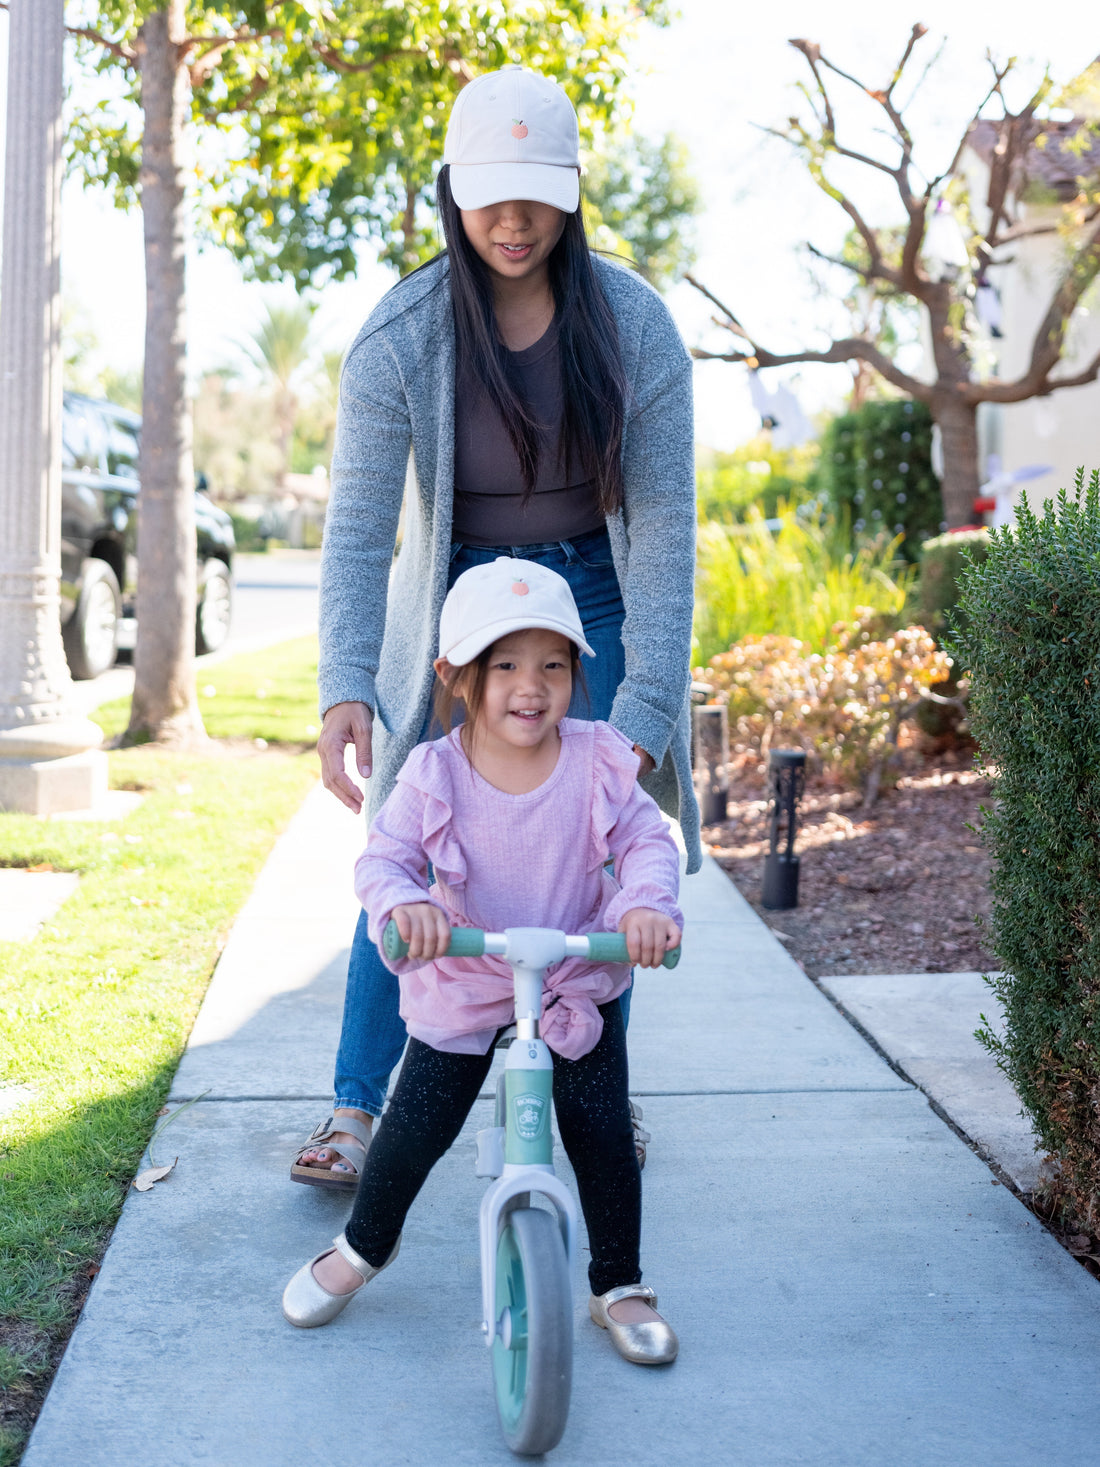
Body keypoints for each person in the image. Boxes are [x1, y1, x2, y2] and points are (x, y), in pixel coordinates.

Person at [290, 65, 699, 1190]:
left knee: (607, 842)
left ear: (569, 191)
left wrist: (649, 709)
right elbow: (359, 532)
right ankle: (357, 1109)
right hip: (460, 599)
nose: (511, 221)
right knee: (409, 836)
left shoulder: (637, 330)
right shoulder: (399, 335)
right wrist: (344, 687)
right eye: (488, 195)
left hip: (594, 595)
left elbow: (664, 533)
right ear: (451, 192)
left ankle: (593, 1107)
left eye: (534, 193)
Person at [283, 560, 683, 1363]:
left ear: (575, 672)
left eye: (552, 664)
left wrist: (645, 905)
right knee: (414, 1126)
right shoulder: (434, 771)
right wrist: (408, 908)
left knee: (602, 1129)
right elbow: (384, 862)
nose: (529, 686)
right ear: (455, 674)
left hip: (571, 974)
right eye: (504, 663)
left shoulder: (602, 758)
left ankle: (620, 1282)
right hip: (468, 975)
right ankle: (363, 1247)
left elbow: (645, 840)